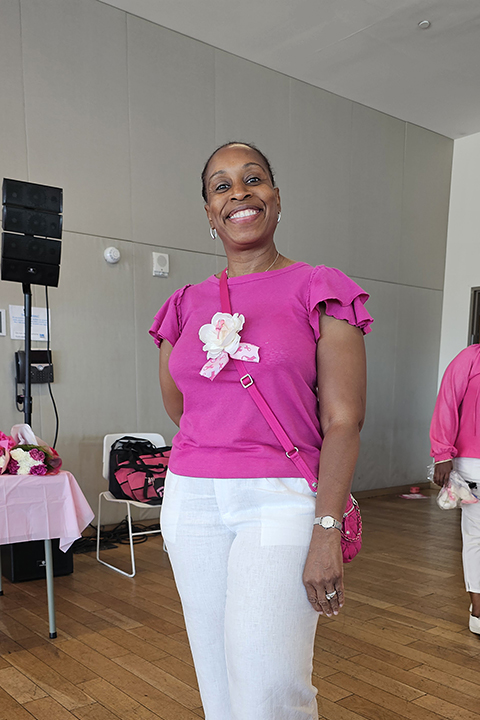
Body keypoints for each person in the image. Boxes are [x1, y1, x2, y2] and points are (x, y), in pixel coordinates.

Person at [150, 142, 373, 719]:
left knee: (270, 681)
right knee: (216, 671)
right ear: (209, 212)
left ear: (276, 197)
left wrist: (326, 529)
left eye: (253, 179)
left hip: (280, 498)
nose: (239, 193)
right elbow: (182, 408)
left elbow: (343, 420)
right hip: (191, 499)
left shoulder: (319, 288)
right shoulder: (185, 303)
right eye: (221, 186)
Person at [430, 344, 480, 635]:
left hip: (472, 463)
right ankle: (478, 610)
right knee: (476, 536)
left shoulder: (472, 358)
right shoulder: (471, 357)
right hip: (473, 465)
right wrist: (442, 455)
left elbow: (447, 402)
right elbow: (447, 403)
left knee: (476, 537)